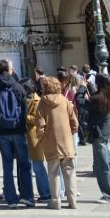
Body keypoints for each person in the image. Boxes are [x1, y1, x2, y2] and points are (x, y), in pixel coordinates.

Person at [0, 59, 33, 208]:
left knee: (7, 165)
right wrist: (22, 125)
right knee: (24, 164)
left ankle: (11, 199)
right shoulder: (18, 86)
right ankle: (27, 196)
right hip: (18, 130)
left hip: (2, 132)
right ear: (9, 69)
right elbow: (24, 109)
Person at [36, 75, 78, 209]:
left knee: (53, 172)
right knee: (69, 171)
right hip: (66, 142)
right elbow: (75, 123)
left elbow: (40, 125)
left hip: (51, 142)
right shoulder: (65, 101)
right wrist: (69, 133)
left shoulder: (42, 102)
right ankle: (72, 200)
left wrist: (41, 139)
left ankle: (55, 201)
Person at [85, 74, 110, 203]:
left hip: (99, 134)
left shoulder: (98, 98)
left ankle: (109, 195)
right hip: (105, 133)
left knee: (102, 165)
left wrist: (81, 89)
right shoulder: (107, 95)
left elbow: (81, 102)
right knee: (108, 164)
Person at [22, 79, 52, 205]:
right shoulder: (26, 99)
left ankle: (45, 193)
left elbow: (37, 119)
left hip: (34, 137)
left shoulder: (37, 100)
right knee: (30, 166)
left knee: (38, 166)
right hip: (27, 136)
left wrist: (24, 116)